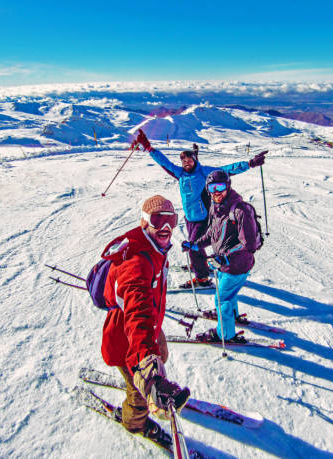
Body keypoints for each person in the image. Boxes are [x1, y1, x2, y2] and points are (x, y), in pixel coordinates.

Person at [100, 195, 190, 442]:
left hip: (149, 327)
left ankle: (152, 376)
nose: (166, 228)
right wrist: (149, 373)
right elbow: (137, 315)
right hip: (127, 339)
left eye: (171, 221)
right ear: (144, 222)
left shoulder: (154, 247)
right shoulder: (137, 261)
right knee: (139, 396)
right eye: (158, 220)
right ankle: (134, 423)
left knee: (162, 352)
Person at [131, 129, 267, 289]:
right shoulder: (181, 174)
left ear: (195, 160)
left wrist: (249, 164)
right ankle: (201, 265)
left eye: (190, 160)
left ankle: (202, 278)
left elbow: (227, 169)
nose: (187, 164)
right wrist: (148, 147)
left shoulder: (203, 172)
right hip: (190, 218)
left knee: (193, 247)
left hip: (203, 218)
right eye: (184, 162)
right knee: (195, 246)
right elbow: (165, 162)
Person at [181, 170, 259, 343]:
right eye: (212, 187)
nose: (216, 191)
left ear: (228, 186)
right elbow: (211, 234)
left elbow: (249, 245)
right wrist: (195, 245)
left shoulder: (240, 210)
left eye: (220, 186)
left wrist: (226, 257)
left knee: (221, 298)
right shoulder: (216, 207)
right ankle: (231, 314)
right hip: (224, 264)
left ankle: (225, 334)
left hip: (237, 265)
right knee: (228, 294)